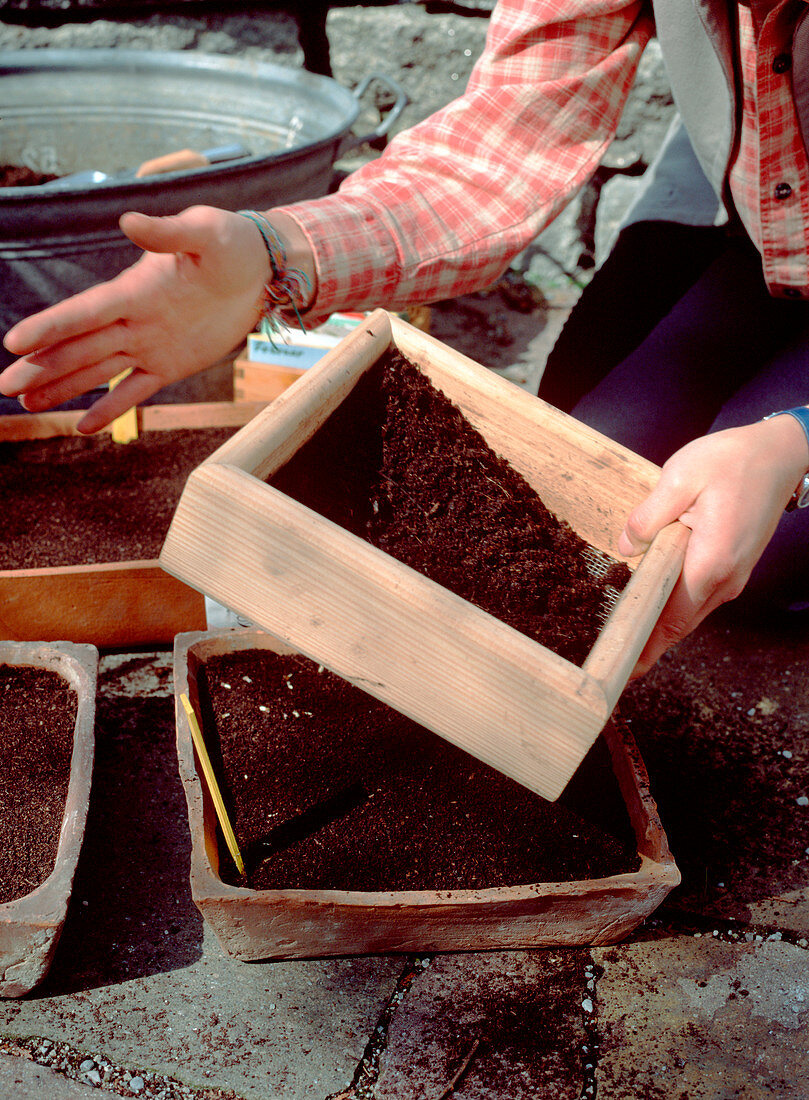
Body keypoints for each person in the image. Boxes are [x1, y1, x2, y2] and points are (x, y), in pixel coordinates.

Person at [2, 0, 809, 677]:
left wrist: (794, 445)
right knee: (603, 471)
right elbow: (504, 145)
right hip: (767, 221)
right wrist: (275, 252)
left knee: (754, 545)